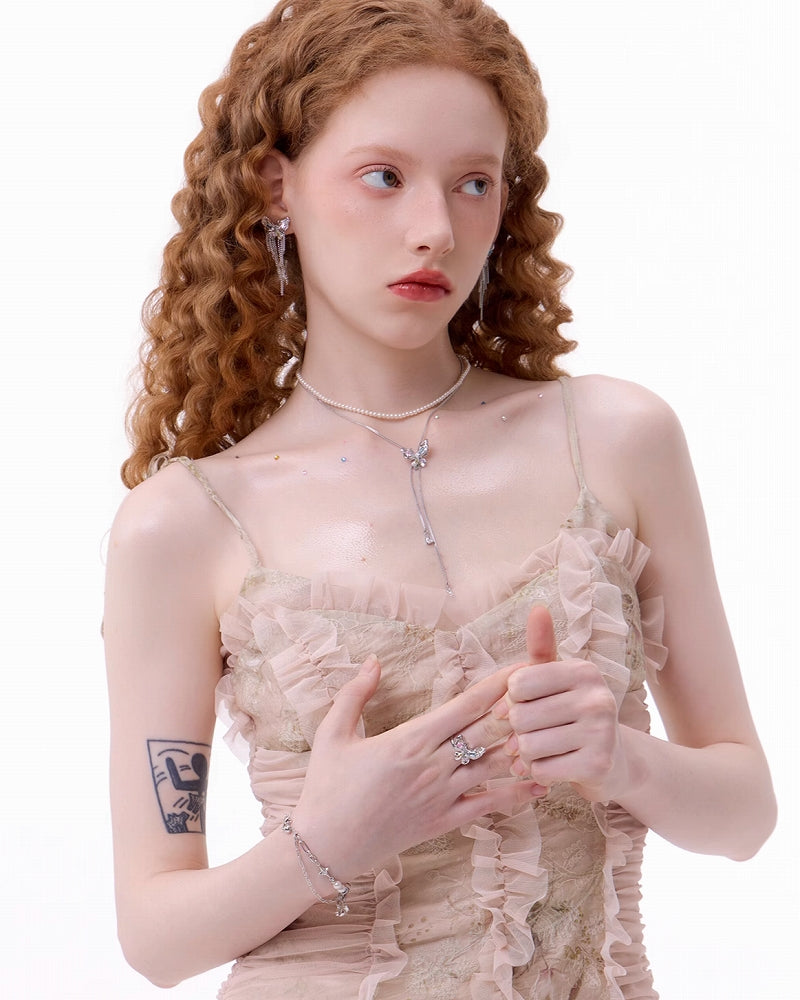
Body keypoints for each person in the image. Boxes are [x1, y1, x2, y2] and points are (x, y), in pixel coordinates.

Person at [103, 1, 776, 997]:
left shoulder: (617, 439)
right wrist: (325, 839)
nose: (435, 230)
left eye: (473, 183)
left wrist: (622, 759)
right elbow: (155, 938)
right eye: (383, 176)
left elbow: (747, 814)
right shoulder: (184, 522)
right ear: (276, 186)